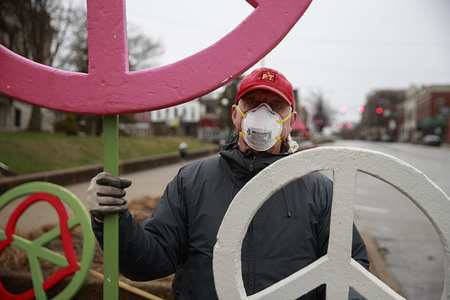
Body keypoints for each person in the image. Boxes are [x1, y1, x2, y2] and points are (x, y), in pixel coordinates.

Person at [88, 68, 369, 299]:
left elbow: (350, 271)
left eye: (275, 106)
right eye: (252, 103)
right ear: (236, 114)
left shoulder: (319, 191)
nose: (263, 113)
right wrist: (113, 221)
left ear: (290, 121)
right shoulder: (192, 181)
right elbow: (149, 261)